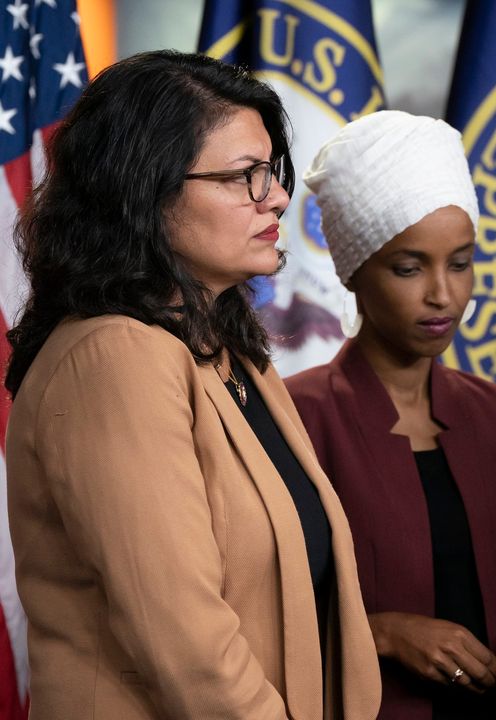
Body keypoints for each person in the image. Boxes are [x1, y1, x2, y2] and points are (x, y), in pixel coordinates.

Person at [4, 51, 380, 718]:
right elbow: (192, 652)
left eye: (272, 172)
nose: (278, 197)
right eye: (243, 177)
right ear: (144, 190)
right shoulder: (114, 358)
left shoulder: (231, 354)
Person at [287, 110, 496, 719]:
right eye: (409, 267)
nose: (443, 295)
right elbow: (253, 618)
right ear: (352, 270)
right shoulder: (295, 419)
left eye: (461, 262)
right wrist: (381, 632)